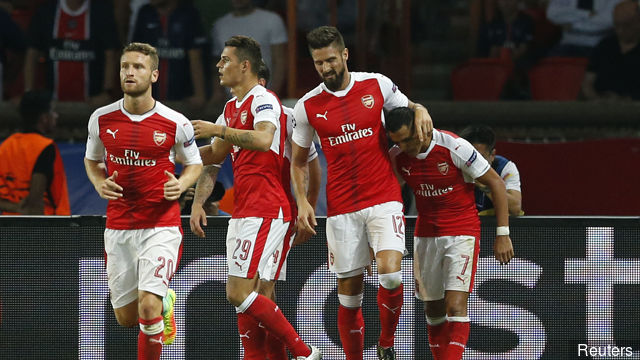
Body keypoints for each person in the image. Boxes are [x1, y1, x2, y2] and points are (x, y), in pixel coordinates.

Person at [290, 26, 433, 360]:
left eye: (330, 60)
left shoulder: (377, 84)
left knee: (392, 275)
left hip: (384, 197)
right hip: (341, 208)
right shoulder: (307, 106)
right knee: (349, 296)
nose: (325, 69)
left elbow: (408, 111)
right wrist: (302, 202)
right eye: (318, 63)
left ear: (344, 55)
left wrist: (421, 107)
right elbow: (298, 162)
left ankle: (386, 341)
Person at [190, 35, 321, 360]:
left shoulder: (266, 101)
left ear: (245, 66)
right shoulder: (230, 108)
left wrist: (308, 206)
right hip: (247, 210)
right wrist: (174, 151)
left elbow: (264, 141)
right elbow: (215, 156)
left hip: (269, 208)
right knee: (261, 295)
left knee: (240, 292)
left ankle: (303, 352)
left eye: (225, 60)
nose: (219, 66)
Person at [83, 42, 203, 359]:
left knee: (146, 305)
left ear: (153, 74)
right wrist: (98, 181)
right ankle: (166, 301)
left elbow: (195, 164)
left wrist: (182, 184)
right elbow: (92, 161)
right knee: (126, 317)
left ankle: (157, 301)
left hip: (160, 224)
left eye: (137, 67)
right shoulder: (101, 118)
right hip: (119, 224)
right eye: (125, 66)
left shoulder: (175, 122)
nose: (129, 72)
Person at [386, 107, 515, 360]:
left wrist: (503, 234)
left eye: (408, 139)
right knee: (432, 309)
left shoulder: (454, 146)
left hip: (461, 232)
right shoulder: (396, 155)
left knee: (455, 306)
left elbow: (497, 184)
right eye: (398, 141)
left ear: (420, 128)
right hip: (425, 234)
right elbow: (391, 194)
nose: (405, 146)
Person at [24, 0, 119, 106]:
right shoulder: (46, 12)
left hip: (91, 104)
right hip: (53, 105)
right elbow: (31, 54)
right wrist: (29, 93)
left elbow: (110, 55)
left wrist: (107, 93)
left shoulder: (101, 11)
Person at [0, 90, 70, 215]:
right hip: (44, 228)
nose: (56, 116)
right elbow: (35, 203)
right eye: (52, 112)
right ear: (44, 118)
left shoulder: (5, 146)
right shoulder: (45, 147)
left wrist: (15, 208)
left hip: (7, 229)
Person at [130, 0, 207, 107]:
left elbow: (195, 57)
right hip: (149, 98)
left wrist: (200, 95)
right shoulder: (145, 12)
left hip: (182, 99)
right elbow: (135, 55)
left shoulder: (189, 13)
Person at [209, 0, 287, 102]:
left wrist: (272, 96)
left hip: (263, 95)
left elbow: (280, 61)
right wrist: (217, 94)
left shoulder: (272, 20)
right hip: (231, 101)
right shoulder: (219, 25)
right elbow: (217, 63)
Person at [582, 0, 640, 101]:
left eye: (627, 25)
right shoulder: (605, 46)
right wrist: (598, 99)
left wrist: (625, 100)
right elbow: (588, 82)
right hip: (600, 107)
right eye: (617, 25)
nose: (621, 30)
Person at [459, 125, 523, 216]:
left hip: (492, 226)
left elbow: (515, 208)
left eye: (480, 158)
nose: (473, 163)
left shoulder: (505, 167)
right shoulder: (454, 166)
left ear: (492, 155)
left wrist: (485, 185)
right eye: (469, 157)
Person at [546, 0, 623, 57]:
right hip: (567, 44)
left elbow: (609, 21)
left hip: (598, 47)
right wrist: (587, 14)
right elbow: (552, 14)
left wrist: (571, 23)